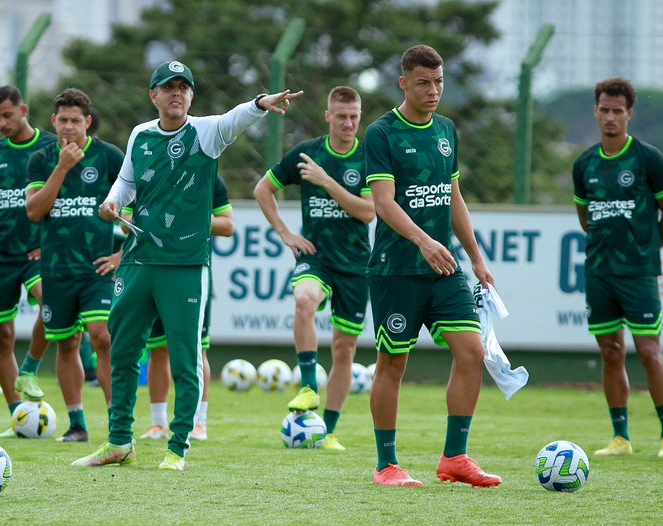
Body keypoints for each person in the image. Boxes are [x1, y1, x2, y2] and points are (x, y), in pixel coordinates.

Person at [74, 59, 302, 471]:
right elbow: (126, 183)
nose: (176, 93)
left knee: (185, 358)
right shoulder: (140, 134)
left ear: (192, 95)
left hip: (185, 264)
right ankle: (119, 441)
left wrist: (260, 103)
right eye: (168, 86)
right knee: (122, 350)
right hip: (138, 258)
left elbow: (235, 118)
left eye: (183, 87)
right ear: (154, 95)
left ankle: (177, 447)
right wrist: (112, 202)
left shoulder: (206, 132)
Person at [365, 44, 501, 487]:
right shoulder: (382, 133)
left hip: (444, 268)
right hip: (396, 269)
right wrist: (423, 241)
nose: (433, 90)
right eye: (423, 82)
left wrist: (476, 257)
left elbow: (452, 195)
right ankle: (387, 465)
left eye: (439, 81)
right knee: (392, 364)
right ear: (403, 83)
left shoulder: (446, 129)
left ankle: (454, 458)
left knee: (472, 351)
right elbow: (383, 203)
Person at [254, 86, 373, 451]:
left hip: (355, 263)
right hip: (316, 256)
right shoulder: (307, 153)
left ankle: (328, 431)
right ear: (328, 116)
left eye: (354, 117)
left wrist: (325, 182)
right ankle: (307, 385)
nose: (348, 123)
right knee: (304, 300)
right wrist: (286, 233)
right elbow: (262, 189)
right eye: (341, 116)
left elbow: (368, 212)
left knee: (344, 350)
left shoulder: (369, 158)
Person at [572, 77, 663, 458]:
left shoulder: (648, 158)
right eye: (605, 110)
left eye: (618, 111)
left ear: (629, 114)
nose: (610, 117)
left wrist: (648, 246)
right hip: (598, 272)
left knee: (649, 352)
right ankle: (621, 438)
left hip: (639, 272)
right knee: (611, 352)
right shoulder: (584, 164)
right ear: (596, 111)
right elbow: (585, 218)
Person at [25, 88, 123, 443]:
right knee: (67, 344)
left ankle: (118, 423)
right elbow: (35, 211)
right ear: (53, 121)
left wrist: (122, 254)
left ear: (88, 122)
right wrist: (62, 167)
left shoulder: (109, 157)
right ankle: (77, 424)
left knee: (103, 336)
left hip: (97, 269)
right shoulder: (40, 160)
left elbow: (136, 208)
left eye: (75, 121)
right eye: (63, 120)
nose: (68, 127)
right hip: (57, 269)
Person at [0, 85, 56, 438]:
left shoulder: (50, 147)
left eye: (7, 115)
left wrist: (51, 239)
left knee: (51, 304)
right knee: (2, 335)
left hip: (36, 252)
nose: (2, 123)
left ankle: (29, 368)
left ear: (24, 110)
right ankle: (18, 415)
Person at [138, 174, 234, 442]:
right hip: (153, 269)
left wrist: (184, 220)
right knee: (157, 349)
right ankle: (158, 423)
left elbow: (227, 225)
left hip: (191, 273)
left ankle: (198, 422)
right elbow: (127, 221)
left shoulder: (209, 176)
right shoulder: (151, 170)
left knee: (196, 349)